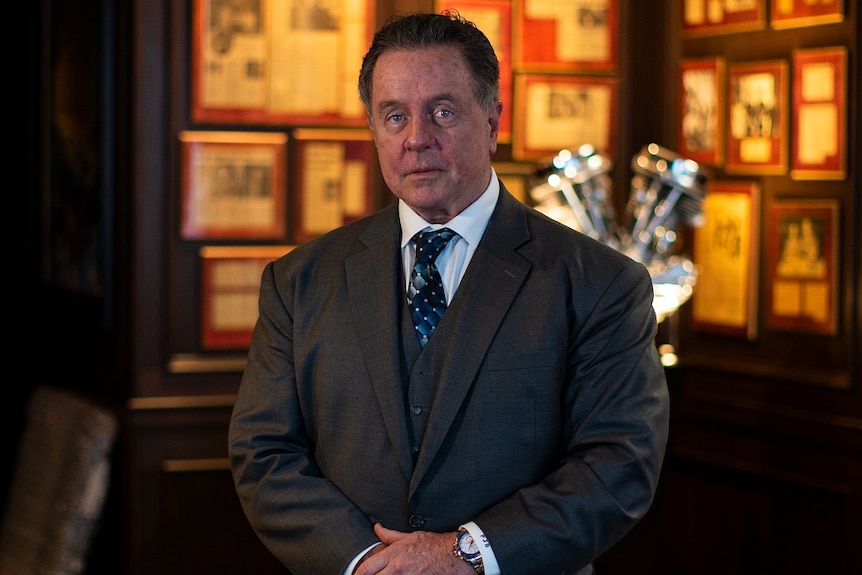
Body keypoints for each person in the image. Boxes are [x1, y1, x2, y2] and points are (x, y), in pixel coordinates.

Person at [228, 11, 669, 575]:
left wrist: (467, 555)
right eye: (394, 116)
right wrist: (365, 564)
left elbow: (619, 466)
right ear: (373, 127)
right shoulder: (298, 281)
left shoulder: (601, 284)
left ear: (491, 120)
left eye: (442, 111)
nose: (416, 139)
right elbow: (264, 454)